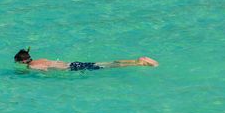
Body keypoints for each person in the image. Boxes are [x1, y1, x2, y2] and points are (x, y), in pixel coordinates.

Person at [14, 48, 158, 71]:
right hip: (74, 64)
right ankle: (136, 61)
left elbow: (44, 71)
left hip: (74, 68)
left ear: (22, 61)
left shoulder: (32, 66)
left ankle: (139, 62)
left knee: (108, 66)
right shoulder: (40, 58)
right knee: (106, 64)